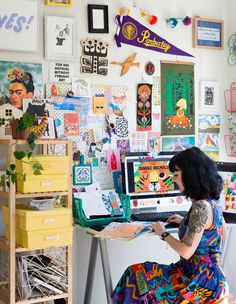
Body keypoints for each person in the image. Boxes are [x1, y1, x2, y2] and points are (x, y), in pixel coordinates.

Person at [112, 147, 234, 303]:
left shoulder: (201, 207)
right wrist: (185, 221)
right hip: (199, 275)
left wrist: (162, 232)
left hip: (201, 283)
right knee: (136, 273)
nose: (173, 179)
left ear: (190, 176)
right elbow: (221, 234)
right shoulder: (211, 202)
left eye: (176, 174)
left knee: (146, 289)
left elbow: (186, 251)